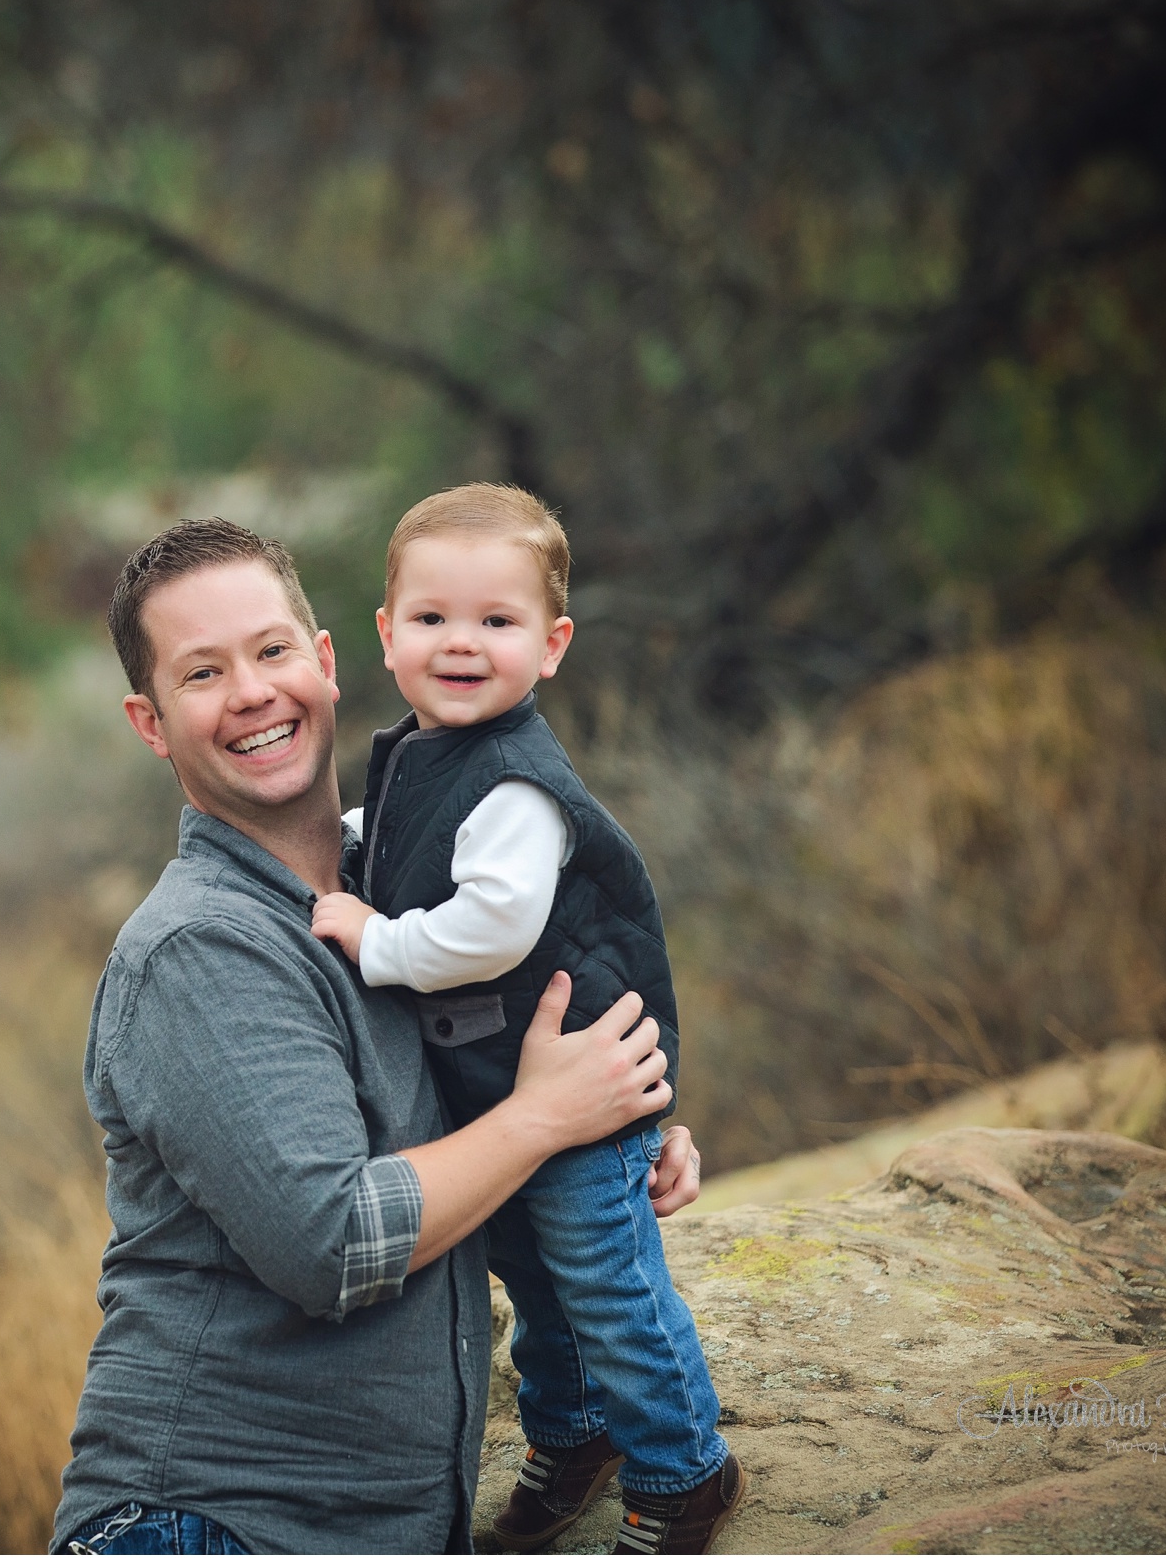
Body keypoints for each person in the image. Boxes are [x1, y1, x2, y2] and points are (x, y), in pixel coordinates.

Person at [52, 518, 705, 1555]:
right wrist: (544, 1117)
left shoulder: (412, 901)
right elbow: (335, 1241)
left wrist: (618, 1125)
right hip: (213, 1521)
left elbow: (534, 1040)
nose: (254, 692)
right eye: (203, 674)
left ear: (325, 661)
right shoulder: (199, 948)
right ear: (151, 720)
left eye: (271, 651)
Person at [309, 484, 739, 1554]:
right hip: (506, 1091)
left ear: (550, 647)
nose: (462, 645)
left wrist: (374, 938)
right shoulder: (419, 751)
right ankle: (573, 1431)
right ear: (386, 633)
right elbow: (395, 830)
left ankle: (685, 1471)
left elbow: (495, 925)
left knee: (607, 1283)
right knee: (534, 1278)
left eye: (496, 623)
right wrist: (338, 851)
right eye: (433, 619)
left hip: (580, 1091)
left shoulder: (515, 786)